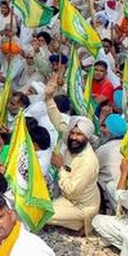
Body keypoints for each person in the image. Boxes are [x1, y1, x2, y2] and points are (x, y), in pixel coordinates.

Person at [44, 76, 100, 235]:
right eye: (73, 133)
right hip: (68, 197)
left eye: (79, 135)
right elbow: (58, 121)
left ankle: (80, 222)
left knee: (41, 212)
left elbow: (72, 191)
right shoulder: (70, 140)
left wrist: (61, 167)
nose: (74, 137)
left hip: (80, 205)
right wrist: (48, 97)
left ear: (87, 138)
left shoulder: (88, 161)